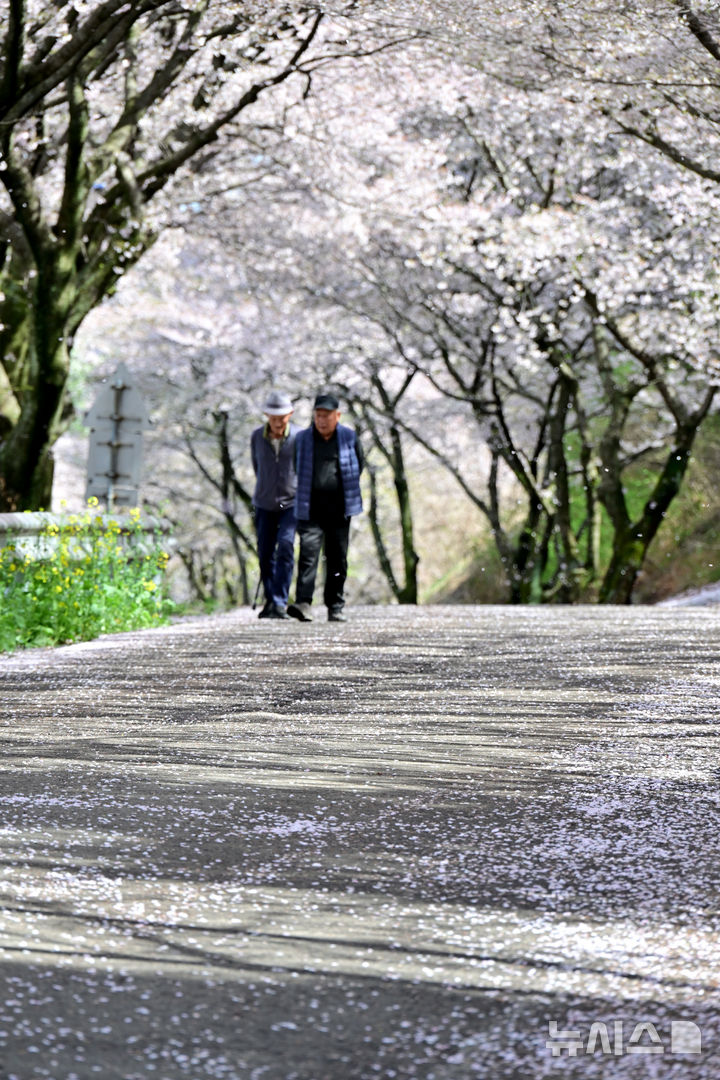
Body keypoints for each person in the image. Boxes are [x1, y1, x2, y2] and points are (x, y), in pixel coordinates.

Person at [287, 391, 364, 623]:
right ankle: (303, 603)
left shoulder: (349, 437)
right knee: (308, 555)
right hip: (310, 508)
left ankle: (335, 605)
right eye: (318, 415)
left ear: (337, 416)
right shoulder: (302, 439)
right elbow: (296, 466)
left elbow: (359, 465)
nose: (321, 420)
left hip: (340, 508)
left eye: (326, 415)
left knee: (337, 557)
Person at [250, 390, 298, 619]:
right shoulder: (257, 437)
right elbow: (256, 466)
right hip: (264, 502)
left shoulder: (299, 437)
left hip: (290, 503)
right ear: (267, 416)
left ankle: (280, 601)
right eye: (273, 417)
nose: (278, 422)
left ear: (291, 414)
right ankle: (270, 600)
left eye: (283, 417)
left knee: (286, 546)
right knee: (265, 552)